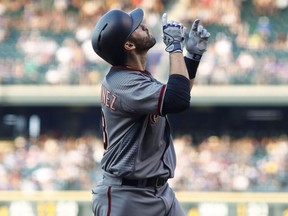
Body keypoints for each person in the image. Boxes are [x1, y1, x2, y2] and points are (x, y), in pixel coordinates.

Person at [91, 7, 210, 216]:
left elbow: (175, 95)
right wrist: (174, 48)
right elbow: (177, 100)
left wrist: (192, 57)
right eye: (136, 27)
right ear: (128, 45)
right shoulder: (123, 82)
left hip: (160, 191)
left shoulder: (133, 76)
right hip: (127, 197)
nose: (144, 25)